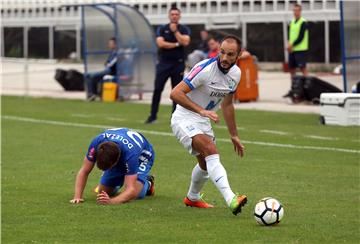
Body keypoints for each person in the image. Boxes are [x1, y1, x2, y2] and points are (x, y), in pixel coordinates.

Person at [170, 35, 247, 215]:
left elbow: (227, 104)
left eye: (230, 54)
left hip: (203, 119)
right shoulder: (204, 69)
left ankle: (192, 198)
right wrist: (201, 110)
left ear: (239, 55)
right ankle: (231, 198)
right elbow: (175, 93)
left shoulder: (236, 74)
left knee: (205, 164)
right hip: (184, 117)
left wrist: (234, 134)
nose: (225, 58)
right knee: (210, 150)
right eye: (222, 52)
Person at [70, 128, 155, 205]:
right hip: (122, 149)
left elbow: (131, 190)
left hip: (143, 155)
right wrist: (77, 196)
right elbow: (84, 170)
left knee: (135, 194)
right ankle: (116, 182)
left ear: (116, 161)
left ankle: (148, 183)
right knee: (102, 192)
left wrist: (112, 201)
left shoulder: (131, 155)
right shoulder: (96, 143)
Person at [145, 6, 191, 124]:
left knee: (176, 92)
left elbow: (185, 42)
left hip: (178, 64)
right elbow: (160, 43)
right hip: (164, 64)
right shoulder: (162, 28)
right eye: (172, 14)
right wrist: (176, 44)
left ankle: (175, 118)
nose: (174, 16)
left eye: (176, 14)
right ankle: (152, 116)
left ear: (179, 16)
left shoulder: (184, 29)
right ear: (169, 16)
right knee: (157, 89)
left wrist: (175, 32)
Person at [284, 3, 309, 97]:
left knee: (303, 69)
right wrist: (288, 44)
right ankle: (293, 89)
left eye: (297, 10)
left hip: (301, 50)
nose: (295, 12)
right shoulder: (292, 22)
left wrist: (292, 44)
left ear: (300, 11)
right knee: (292, 70)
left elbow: (301, 37)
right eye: (294, 10)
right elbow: (290, 36)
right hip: (292, 50)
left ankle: (307, 89)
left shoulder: (303, 22)